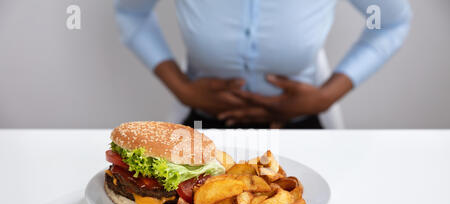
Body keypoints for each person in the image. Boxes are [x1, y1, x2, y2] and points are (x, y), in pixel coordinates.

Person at [114, 0, 412, 129]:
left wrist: (326, 97)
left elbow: (391, 21)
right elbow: (132, 14)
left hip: (303, 125)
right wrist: (181, 88)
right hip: (201, 125)